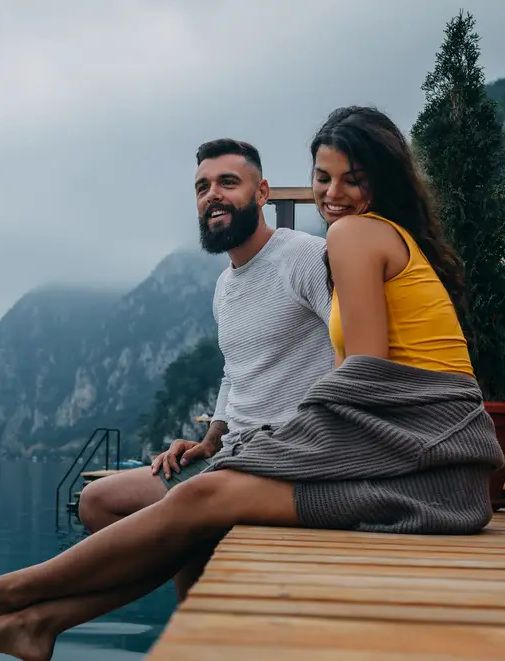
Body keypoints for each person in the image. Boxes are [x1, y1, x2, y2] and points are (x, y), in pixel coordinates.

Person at [0, 106, 504, 661]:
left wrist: (281, 446)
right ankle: (41, 623)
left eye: (352, 179)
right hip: (417, 453)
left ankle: (15, 598)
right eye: (323, 178)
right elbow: (255, 368)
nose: (332, 193)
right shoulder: (248, 279)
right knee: (129, 500)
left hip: (411, 458)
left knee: (196, 504)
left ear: (263, 193)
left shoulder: (329, 246)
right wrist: (214, 437)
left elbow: (365, 373)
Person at [77, 138, 334, 599]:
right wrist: (209, 440)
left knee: (183, 533)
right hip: (227, 457)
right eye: (202, 187)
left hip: (284, 466)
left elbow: (351, 351)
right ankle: (195, 602)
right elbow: (233, 373)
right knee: (97, 502)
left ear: (262, 194)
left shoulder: (306, 257)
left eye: (228, 183)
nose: (212, 194)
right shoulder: (224, 287)